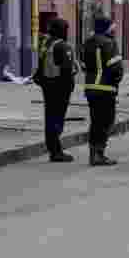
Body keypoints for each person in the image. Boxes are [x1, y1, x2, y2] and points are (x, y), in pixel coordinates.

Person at [33, 17, 78, 163]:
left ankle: (53, 148)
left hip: (47, 85)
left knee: (50, 117)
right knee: (57, 118)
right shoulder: (63, 46)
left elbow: (39, 67)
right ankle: (56, 151)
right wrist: (70, 86)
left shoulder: (45, 44)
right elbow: (66, 69)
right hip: (60, 87)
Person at [82, 14, 124, 165]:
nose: (114, 28)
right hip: (105, 88)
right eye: (112, 25)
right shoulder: (110, 43)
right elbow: (117, 68)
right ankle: (99, 154)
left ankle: (93, 154)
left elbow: (84, 64)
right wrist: (116, 81)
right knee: (106, 121)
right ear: (107, 26)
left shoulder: (88, 42)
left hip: (90, 87)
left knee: (95, 121)